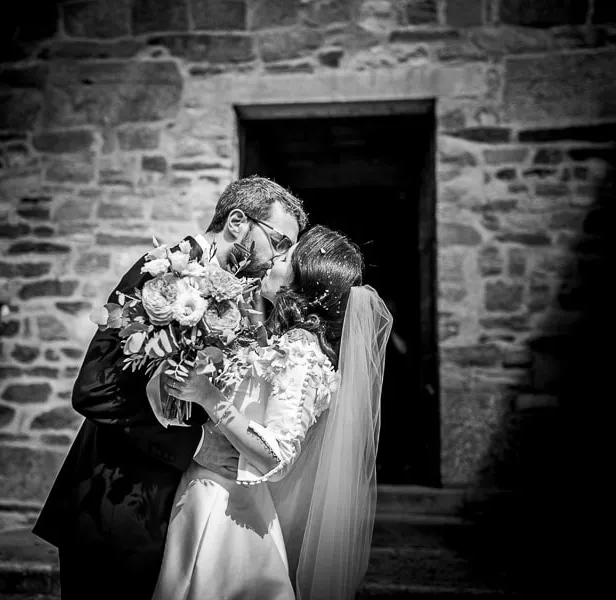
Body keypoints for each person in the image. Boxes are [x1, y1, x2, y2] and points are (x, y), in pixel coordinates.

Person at [32, 176, 309, 599]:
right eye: (279, 241)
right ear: (237, 221)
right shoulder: (161, 275)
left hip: (176, 512)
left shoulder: (239, 302)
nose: (281, 257)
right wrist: (196, 447)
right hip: (116, 502)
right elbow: (93, 390)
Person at [154, 225, 394, 600]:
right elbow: (263, 391)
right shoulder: (287, 342)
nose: (272, 260)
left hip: (230, 513)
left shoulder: (302, 353)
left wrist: (208, 396)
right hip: (209, 491)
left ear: (301, 281)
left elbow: (277, 455)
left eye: (284, 258)